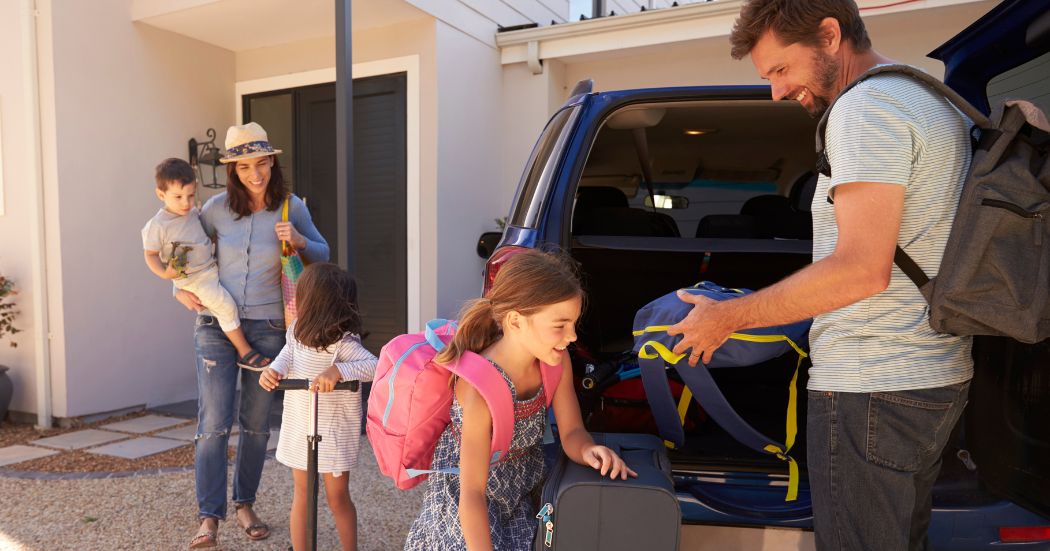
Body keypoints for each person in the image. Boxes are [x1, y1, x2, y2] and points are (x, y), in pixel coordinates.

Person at [666, 1, 973, 549]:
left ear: (830, 35)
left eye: (781, 69)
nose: (776, 92)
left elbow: (860, 270)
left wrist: (727, 317)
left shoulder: (866, 109)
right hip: (932, 375)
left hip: (870, 386)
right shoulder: (930, 99)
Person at [403, 249, 637, 551]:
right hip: (469, 501)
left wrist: (588, 450)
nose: (572, 336)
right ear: (515, 321)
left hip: (521, 489)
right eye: (560, 325)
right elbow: (471, 493)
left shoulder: (557, 361)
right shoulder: (478, 389)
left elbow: (571, 432)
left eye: (574, 324)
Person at [179, 122, 329, 550]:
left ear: (272, 163)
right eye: (245, 167)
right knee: (213, 422)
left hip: (269, 328)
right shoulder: (214, 210)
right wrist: (179, 289)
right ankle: (209, 517)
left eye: (261, 164)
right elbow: (185, 251)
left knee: (257, 424)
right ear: (233, 170)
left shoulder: (291, 206)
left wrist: (299, 240)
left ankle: (245, 504)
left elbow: (324, 253)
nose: (255, 174)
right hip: (215, 325)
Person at [259, 262, 377, 551]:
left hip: (332, 432)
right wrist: (273, 370)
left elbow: (374, 366)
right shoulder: (296, 330)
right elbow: (287, 354)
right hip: (302, 425)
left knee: (337, 498)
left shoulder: (343, 342)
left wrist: (339, 371)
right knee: (302, 493)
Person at [142, 158, 272, 370]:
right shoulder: (158, 225)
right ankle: (245, 351)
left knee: (226, 302)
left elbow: (204, 236)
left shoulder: (192, 213)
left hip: (210, 269)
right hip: (194, 279)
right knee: (225, 306)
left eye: (191, 195)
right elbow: (150, 255)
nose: (186, 203)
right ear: (161, 195)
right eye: (178, 197)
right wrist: (167, 276)